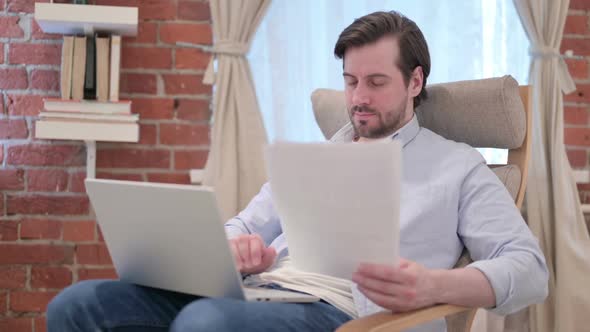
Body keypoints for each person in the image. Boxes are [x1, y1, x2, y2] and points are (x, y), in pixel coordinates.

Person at [46, 10, 548, 332]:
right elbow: (242, 225)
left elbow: (529, 269)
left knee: (205, 324)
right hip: (260, 292)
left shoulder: (458, 166)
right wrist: (235, 248)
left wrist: (435, 286)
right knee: (78, 304)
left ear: (416, 80)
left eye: (376, 82)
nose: (358, 99)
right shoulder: (317, 156)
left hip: (350, 312)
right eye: (350, 81)